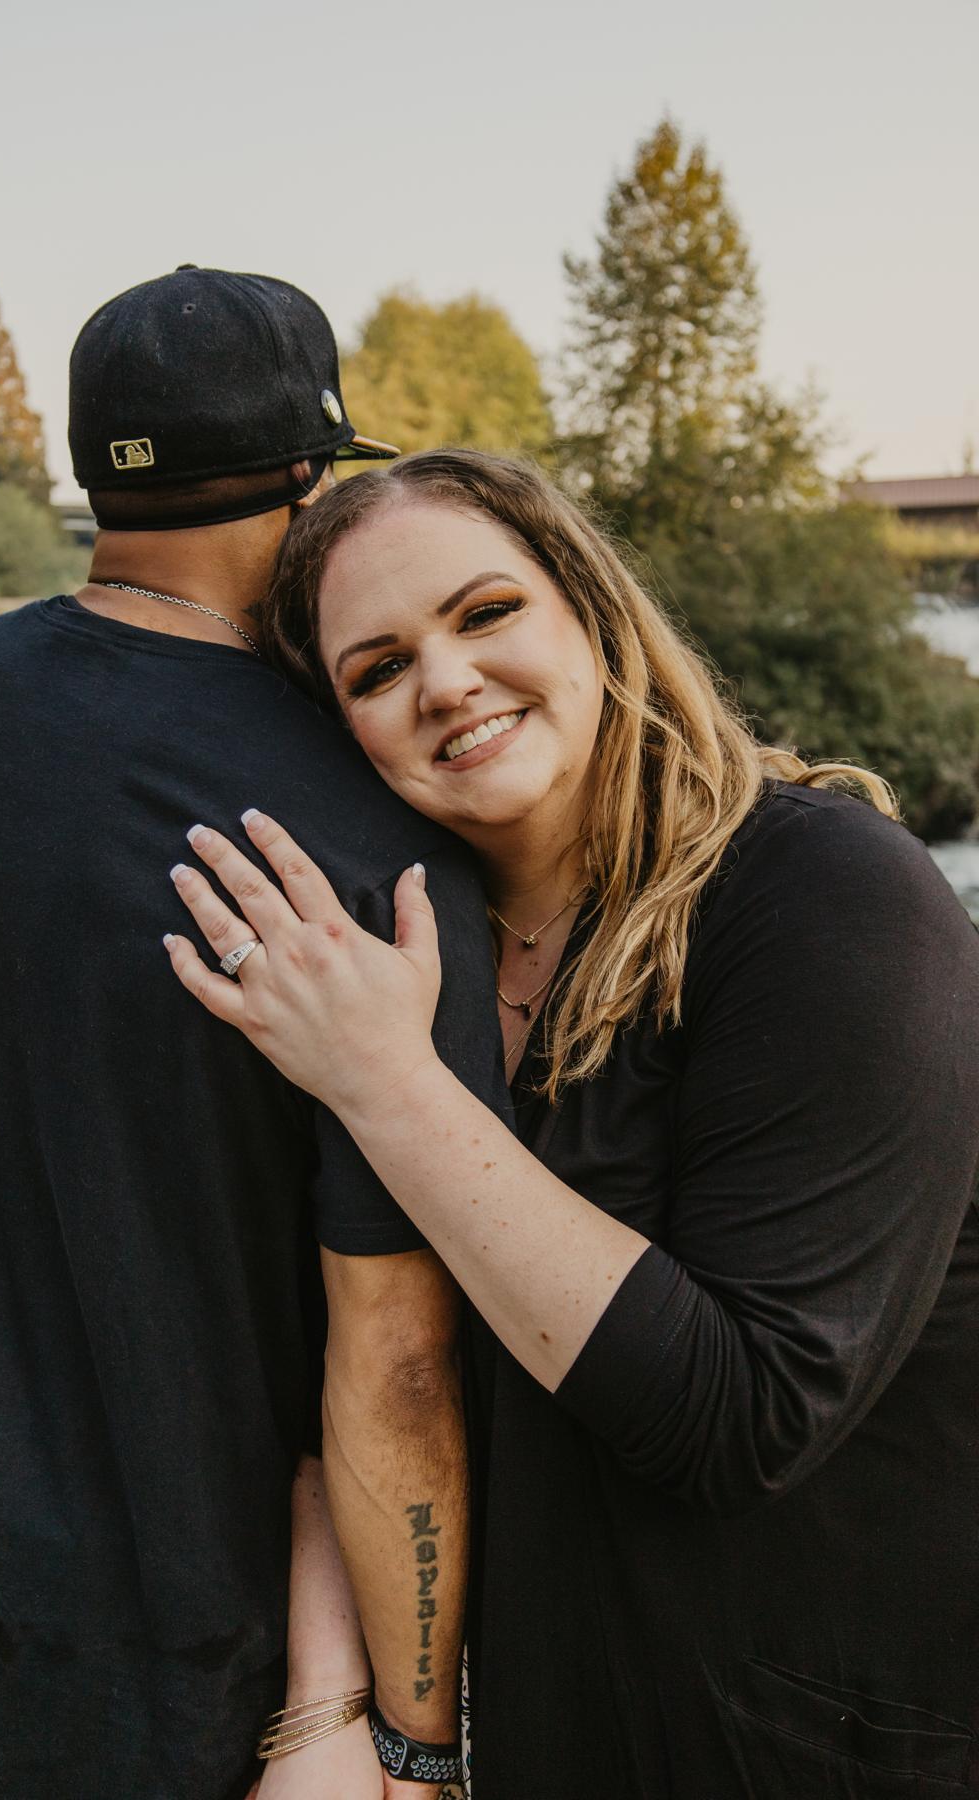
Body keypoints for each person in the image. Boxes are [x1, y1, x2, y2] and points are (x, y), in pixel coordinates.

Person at [0, 278, 504, 1799]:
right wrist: (416, 1738)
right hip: (179, 1685)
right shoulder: (371, 832)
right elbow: (400, 1358)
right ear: (317, 480)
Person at [165, 448, 979, 1799]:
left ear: (590, 613)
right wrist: (336, 1707)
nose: (445, 682)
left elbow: (747, 1415)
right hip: (558, 1737)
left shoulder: (830, 902)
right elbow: (345, 1359)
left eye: (486, 613)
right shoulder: (398, 964)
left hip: (826, 1747)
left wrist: (390, 1084)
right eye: (376, 670)